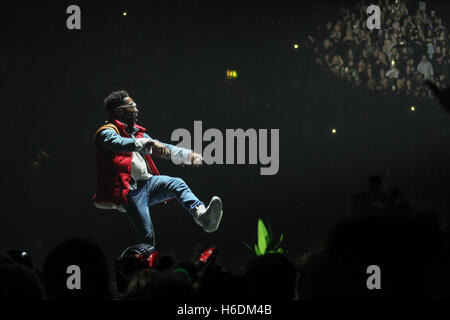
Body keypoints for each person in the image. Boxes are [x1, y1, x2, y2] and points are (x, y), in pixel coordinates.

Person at [92, 90, 223, 249]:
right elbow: (119, 143)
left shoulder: (138, 134)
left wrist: (188, 156)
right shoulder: (106, 132)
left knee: (177, 184)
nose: (136, 109)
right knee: (147, 240)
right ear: (119, 111)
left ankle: (203, 217)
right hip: (130, 193)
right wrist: (147, 144)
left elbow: (163, 148)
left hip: (148, 184)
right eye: (132, 106)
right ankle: (134, 266)